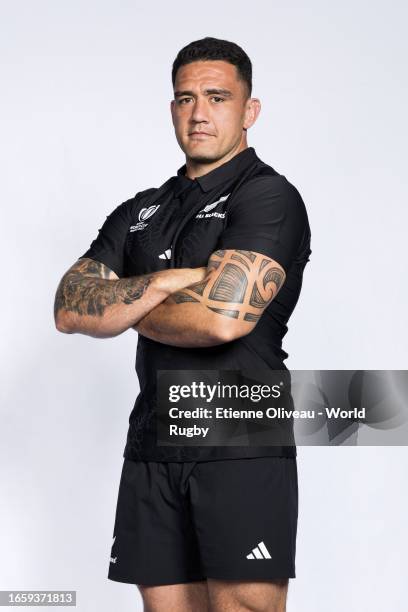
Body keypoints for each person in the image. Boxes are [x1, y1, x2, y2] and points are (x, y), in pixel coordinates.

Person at [54, 36, 311, 612]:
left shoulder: (269, 198)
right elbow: (70, 305)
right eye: (185, 98)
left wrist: (122, 306)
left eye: (217, 97)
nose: (199, 113)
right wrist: (173, 282)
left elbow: (221, 320)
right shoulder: (141, 209)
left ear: (249, 111)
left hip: (241, 440)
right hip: (152, 443)